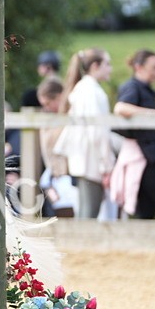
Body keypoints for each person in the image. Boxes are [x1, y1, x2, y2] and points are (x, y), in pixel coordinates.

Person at [109, 50, 155, 219]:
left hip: (149, 156)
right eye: (154, 68)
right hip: (142, 158)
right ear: (139, 67)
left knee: (147, 211)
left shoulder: (144, 89)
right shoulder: (132, 87)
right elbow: (121, 108)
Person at [53, 48, 115, 220]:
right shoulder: (90, 91)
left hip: (85, 157)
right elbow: (97, 131)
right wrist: (106, 164)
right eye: (107, 64)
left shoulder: (85, 89)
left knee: (86, 210)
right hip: (90, 158)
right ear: (95, 66)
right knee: (89, 212)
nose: (110, 69)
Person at [36, 77, 76, 217]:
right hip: (55, 178)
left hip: (71, 176)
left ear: (59, 97)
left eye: (48, 103)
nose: (46, 108)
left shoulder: (72, 114)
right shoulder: (46, 119)